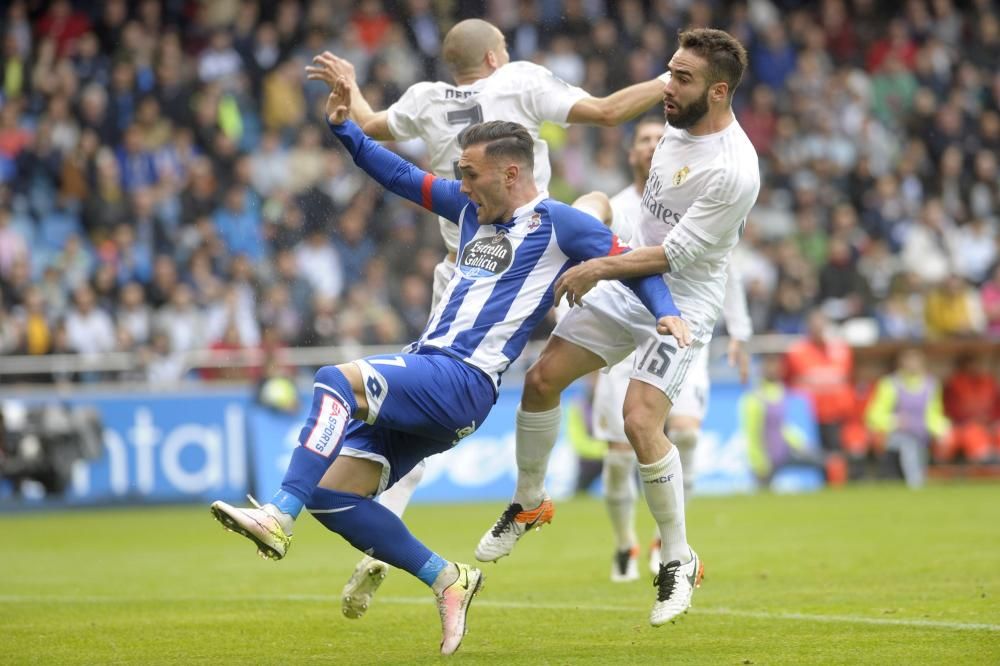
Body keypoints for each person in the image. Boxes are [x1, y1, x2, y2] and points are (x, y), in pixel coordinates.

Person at [209, 78, 687, 655]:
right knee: (333, 495)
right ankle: (447, 578)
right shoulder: (468, 209)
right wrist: (344, 129)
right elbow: (399, 176)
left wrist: (665, 314)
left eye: (470, 174)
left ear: (511, 173)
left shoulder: (560, 223)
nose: (461, 184)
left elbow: (635, 265)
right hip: (432, 373)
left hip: (464, 379)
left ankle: (278, 517)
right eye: (459, 174)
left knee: (335, 380)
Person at [307, 17, 671, 616]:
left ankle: (388, 528)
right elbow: (606, 111)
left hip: (460, 268)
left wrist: (350, 90)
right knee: (592, 228)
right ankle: (530, 496)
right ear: (498, 54)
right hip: (537, 258)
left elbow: (372, 131)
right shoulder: (521, 80)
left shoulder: (427, 98)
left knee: (417, 410)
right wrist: (668, 80)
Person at [472, 29, 760, 626]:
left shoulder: (734, 169)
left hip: (681, 303)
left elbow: (670, 258)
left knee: (639, 421)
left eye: (681, 79)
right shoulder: (675, 132)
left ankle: (677, 559)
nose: (667, 87)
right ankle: (528, 501)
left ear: (720, 91)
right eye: (668, 71)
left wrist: (597, 265)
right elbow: (636, 218)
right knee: (542, 380)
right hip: (628, 283)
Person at [584, 116, 753, 582]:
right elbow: (589, 257)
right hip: (622, 331)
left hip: (680, 329)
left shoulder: (700, 196)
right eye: (643, 139)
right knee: (619, 456)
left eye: (659, 138)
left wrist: (739, 330)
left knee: (687, 433)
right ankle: (624, 544)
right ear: (633, 153)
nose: (653, 144)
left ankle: (667, 544)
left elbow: (726, 268)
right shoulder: (617, 206)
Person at [865, 348, 950, 488]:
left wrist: (941, 429)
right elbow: (873, 416)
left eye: (915, 361)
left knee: (941, 438)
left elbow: (934, 414)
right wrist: (894, 421)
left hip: (922, 434)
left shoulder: (931, 385)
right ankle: (915, 483)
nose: (912, 364)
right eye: (909, 361)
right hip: (894, 435)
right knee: (908, 445)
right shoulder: (890, 384)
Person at [741, 353, 825, 486]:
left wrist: (800, 444)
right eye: (769, 365)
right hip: (765, 458)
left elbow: (782, 426)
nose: (774, 369)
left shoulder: (779, 391)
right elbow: (753, 433)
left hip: (781, 452)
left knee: (820, 460)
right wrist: (758, 461)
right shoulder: (754, 398)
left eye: (776, 365)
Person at [783, 308, 854, 455]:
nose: (818, 329)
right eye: (814, 325)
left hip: (835, 414)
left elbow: (847, 378)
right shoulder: (796, 352)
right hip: (808, 415)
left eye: (821, 324)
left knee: (836, 455)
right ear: (807, 327)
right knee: (812, 455)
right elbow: (787, 381)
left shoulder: (841, 350)